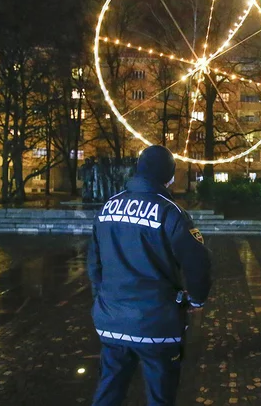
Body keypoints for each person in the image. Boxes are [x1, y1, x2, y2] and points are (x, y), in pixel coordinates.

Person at [87, 145, 212, 406]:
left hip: (112, 320)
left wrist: (103, 300)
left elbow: (94, 263)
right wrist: (197, 300)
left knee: (109, 389)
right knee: (160, 396)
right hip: (157, 323)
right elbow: (198, 262)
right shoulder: (170, 212)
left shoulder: (108, 206)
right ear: (169, 177)